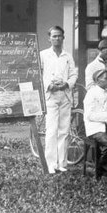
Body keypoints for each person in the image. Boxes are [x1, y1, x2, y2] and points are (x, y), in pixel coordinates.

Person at [39, 26, 78, 174]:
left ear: (63, 37)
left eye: (60, 36)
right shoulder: (43, 55)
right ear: (49, 38)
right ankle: (51, 164)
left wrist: (67, 84)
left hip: (65, 95)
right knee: (51, 130)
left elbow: (73, 74)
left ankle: (62, 163)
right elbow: (38, 75)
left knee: (64, 130)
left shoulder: (68, 56)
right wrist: (49, 86)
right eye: (54, 36)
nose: (57, 39)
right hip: (51, 96)